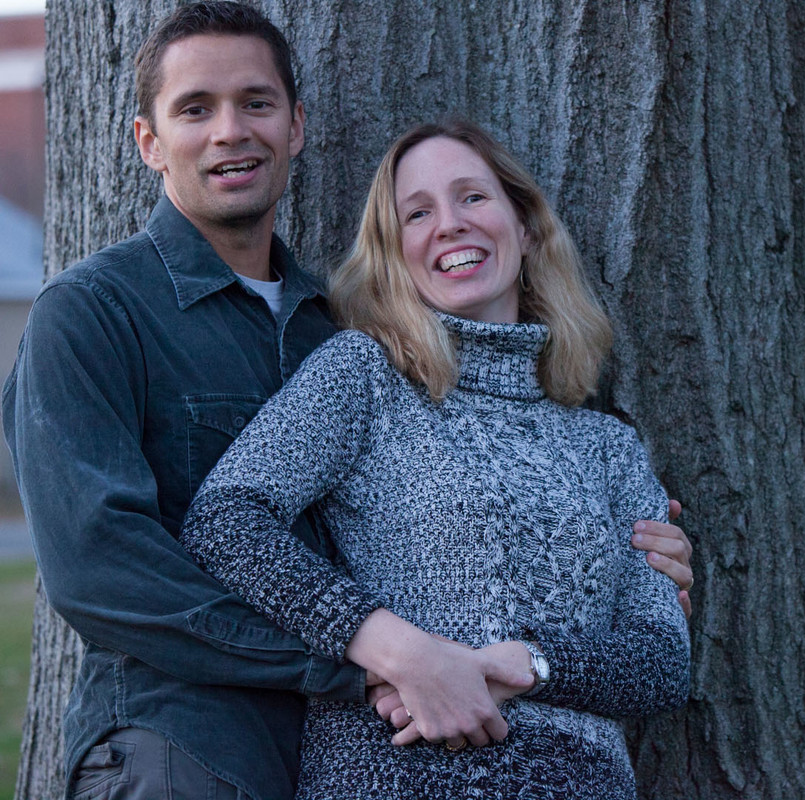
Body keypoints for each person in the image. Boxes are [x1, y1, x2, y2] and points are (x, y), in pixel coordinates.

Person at [1, 3, 693, 798]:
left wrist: (619, 552)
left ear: (295, 126)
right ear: (148, 143)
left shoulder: (344, 330)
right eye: (196, 109)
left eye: (255, 103)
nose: (230, 130)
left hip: (347, 744)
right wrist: (373, 657)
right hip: (184, 743)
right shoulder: (94, 312)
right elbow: (103, 572)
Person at [178, 118, 691, 799]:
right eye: (416, 214)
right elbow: (225, 521)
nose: (449, 225)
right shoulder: (364, 377)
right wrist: (389, 646)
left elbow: (661, 662)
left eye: (473, 198)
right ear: (395, 254)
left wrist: (521, 666)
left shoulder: (607, 446)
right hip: (394, 772)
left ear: (528, 226)